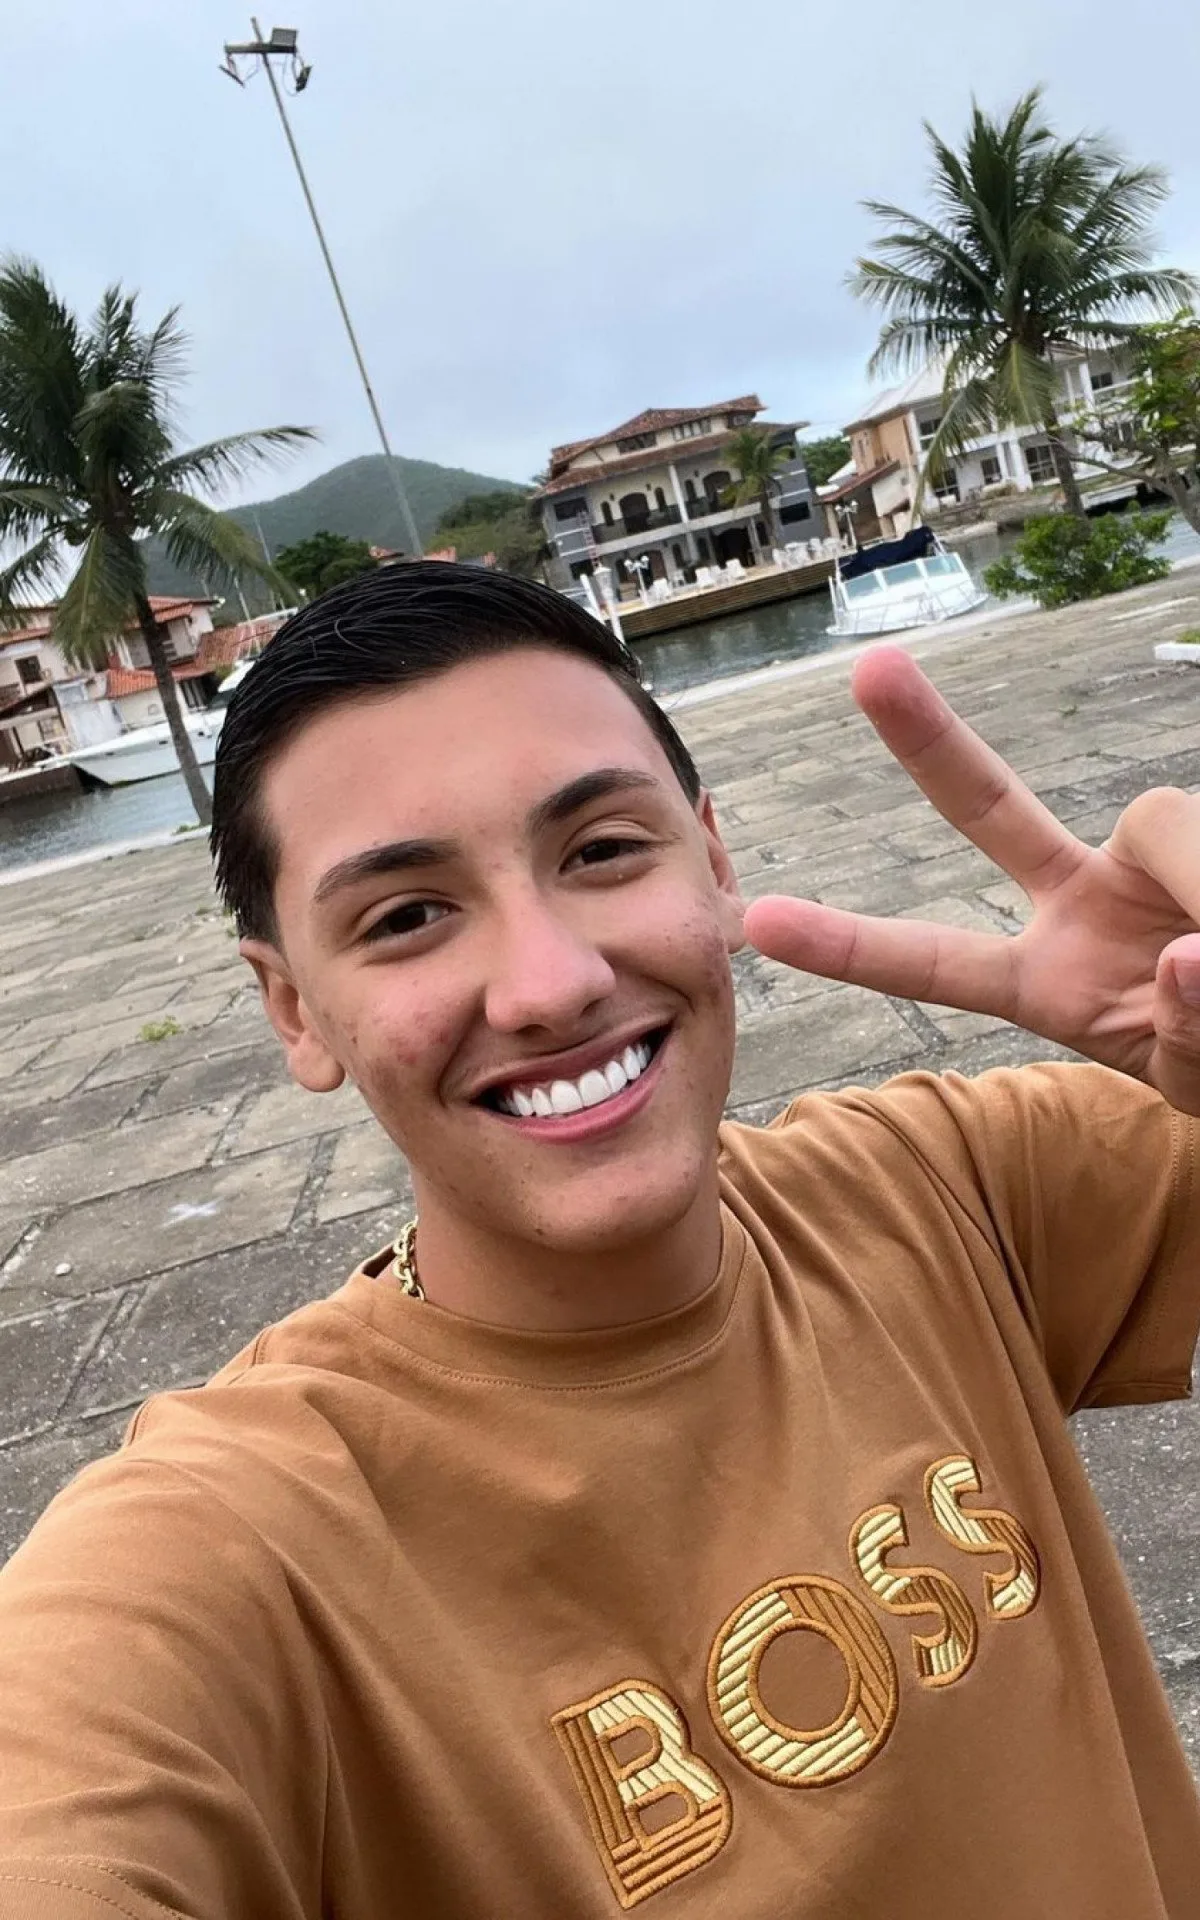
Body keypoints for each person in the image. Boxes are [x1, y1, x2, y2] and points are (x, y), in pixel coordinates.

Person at [0, 561, 1198, 1919]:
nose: (553, 984)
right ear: (294, 1011)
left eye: (603, 852)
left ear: (714, 862)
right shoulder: (244, 1543)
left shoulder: (945, 1188)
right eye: (407, 918)